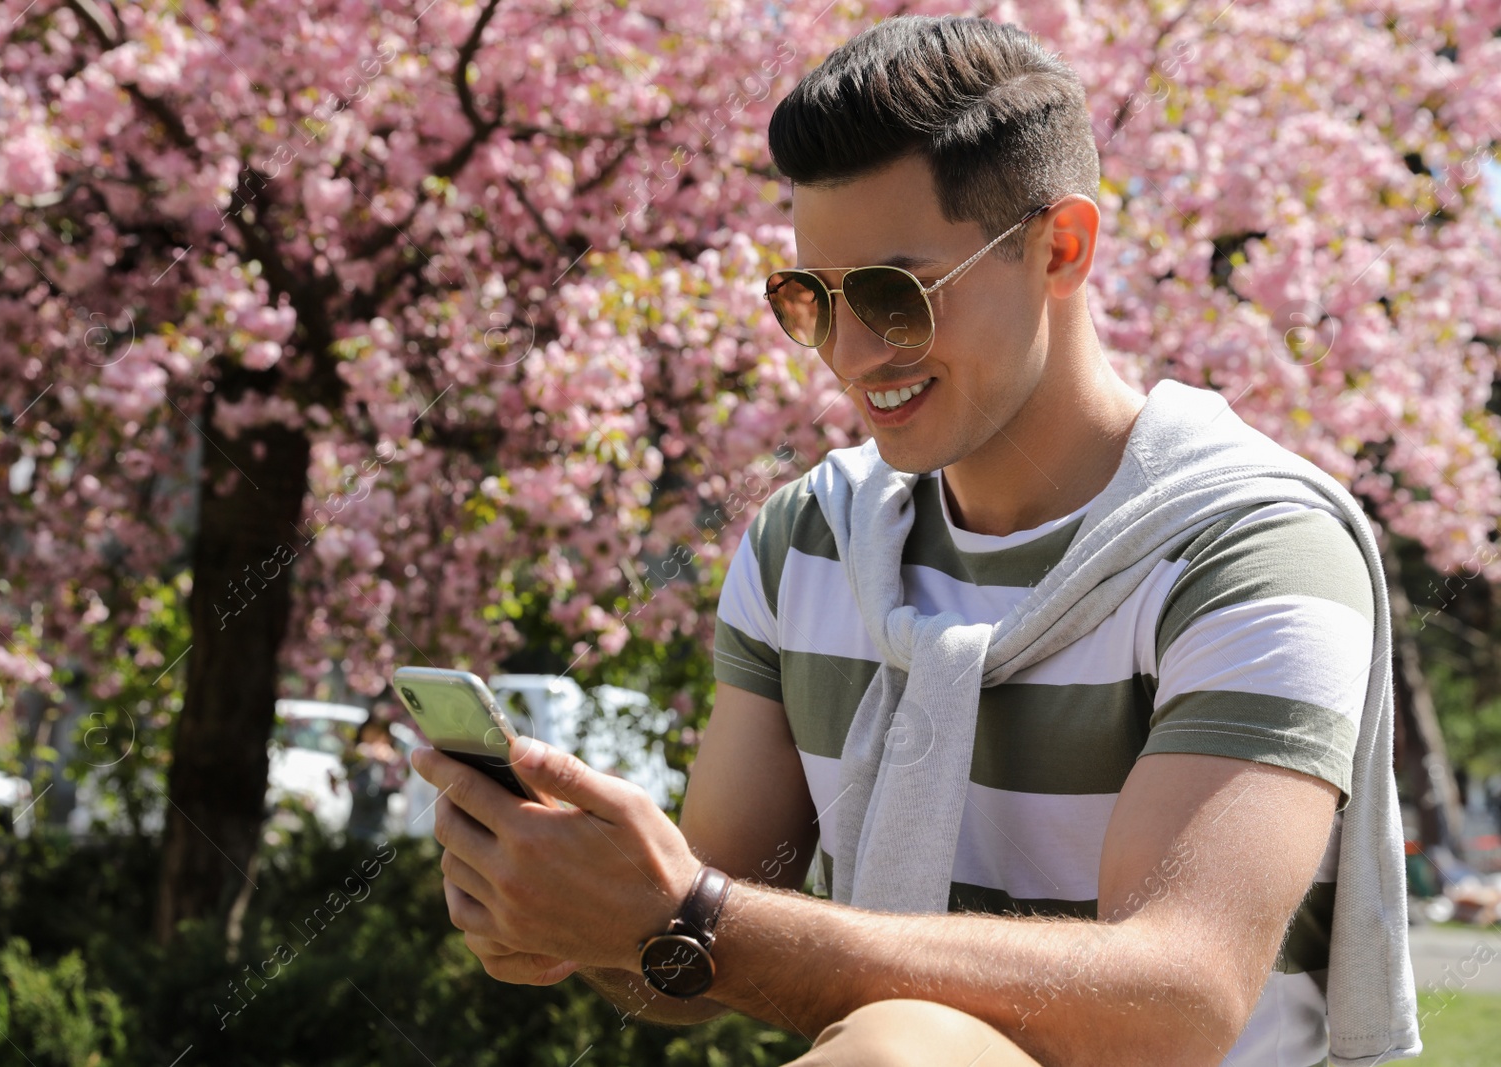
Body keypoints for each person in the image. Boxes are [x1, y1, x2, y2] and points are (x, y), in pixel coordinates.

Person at [412, 15, 1418, 1067]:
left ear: (1059, 248)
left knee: (901, 1045)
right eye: (812, 299)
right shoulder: (807, 541)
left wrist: (692, 917)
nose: (848, 354)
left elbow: (1172, 1005)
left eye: (895, 295)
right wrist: (576, 908)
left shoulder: (1252, 553)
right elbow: (688, 961)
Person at [343, 707, 404, 841]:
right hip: (357, 826)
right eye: (372, 732)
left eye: (380, 733)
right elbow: (361, 791)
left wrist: (391, 763)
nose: (376, 738)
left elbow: (398, 788)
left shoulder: (392, 760)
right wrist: (367, 759)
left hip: (380, 830)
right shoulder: (356, 756)